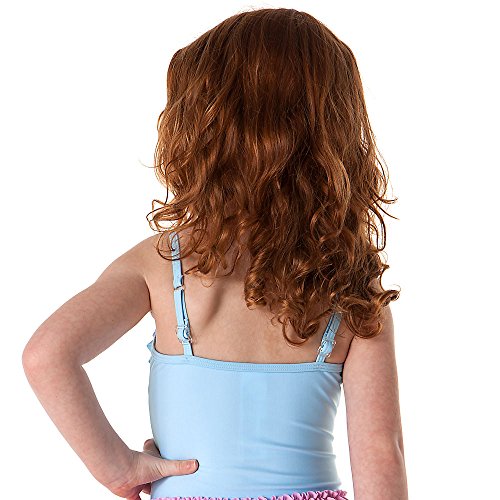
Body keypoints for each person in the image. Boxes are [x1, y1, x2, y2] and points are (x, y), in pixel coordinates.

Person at [22, 7, 408, 500]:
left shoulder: (162, 264)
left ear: (201, 132)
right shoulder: (350, 281)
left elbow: (46, 355)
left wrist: (117, 467)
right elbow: (382, 451)